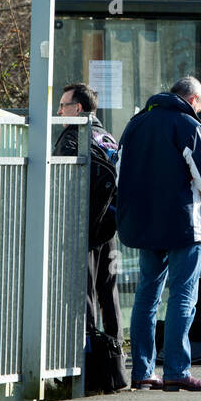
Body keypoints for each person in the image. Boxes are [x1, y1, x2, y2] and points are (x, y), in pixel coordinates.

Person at [116, 76, 201, 391]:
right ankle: (177, 369)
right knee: (183, 296)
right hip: (183, 225)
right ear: (192, 100)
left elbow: (120, 172)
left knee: (146, 296)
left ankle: (143, 371)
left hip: (145, 224)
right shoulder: (188, 125)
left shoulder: (135, 124)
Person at [52, 83, 121, 343]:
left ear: (77, 108)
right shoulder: (107, 136)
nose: (58, 112)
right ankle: (115, 350)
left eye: (62, 106)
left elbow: (60, 185)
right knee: (109, 291)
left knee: (85, 292)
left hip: (82, 228)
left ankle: (88, 352)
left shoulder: (72, 138)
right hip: (109, 227)